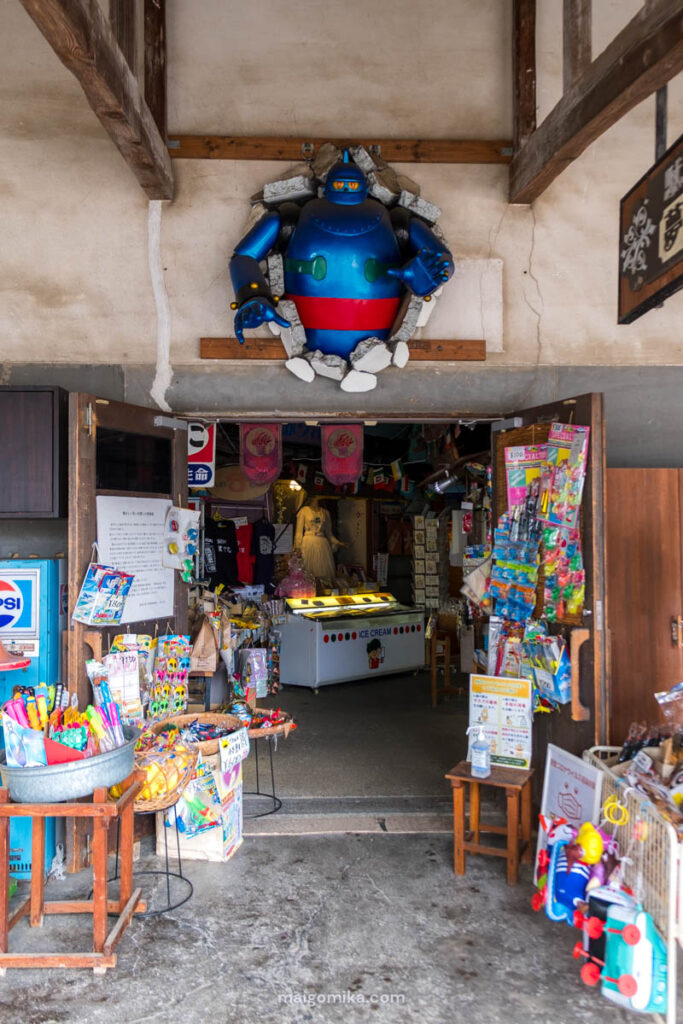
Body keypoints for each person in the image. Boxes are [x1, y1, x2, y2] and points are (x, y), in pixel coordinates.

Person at [294, 496, 342, 579]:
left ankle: (323, 588)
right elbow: (298, 531)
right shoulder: (304, 511)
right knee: (308, 569)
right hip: (308, 544)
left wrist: (337, 542)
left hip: (322, 545)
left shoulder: (325, 513)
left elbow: (329, 533)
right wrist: (297, 546)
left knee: (323, 570)